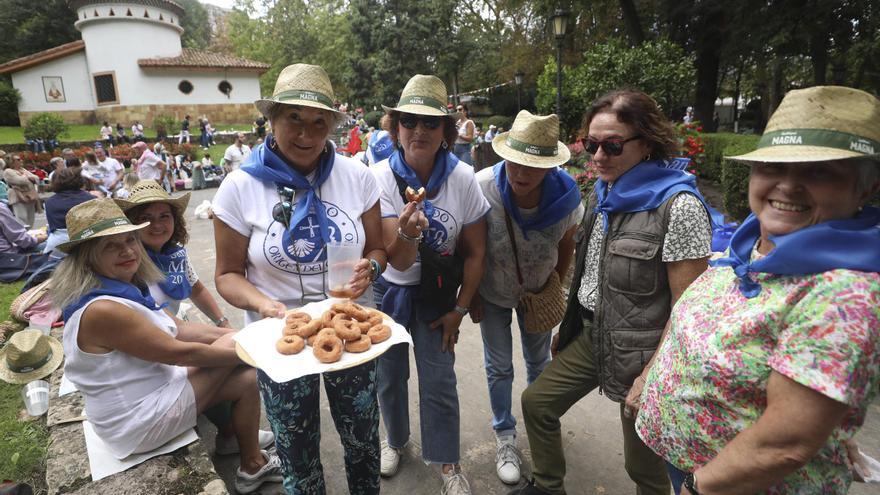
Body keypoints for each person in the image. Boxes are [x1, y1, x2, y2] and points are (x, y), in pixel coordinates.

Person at [634, 85, 880, 495]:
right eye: (772, 165)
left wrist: (699, 486)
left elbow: (785, 444)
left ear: (866, 188)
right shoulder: (752, 244)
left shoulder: (845, 295)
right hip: (686, 459)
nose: (787, 185)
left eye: (819, 171)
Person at [511, 89, 715, 495]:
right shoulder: (606, 192)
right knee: (538, 403)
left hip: (645, 351)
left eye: (613, 145)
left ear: (648, 143)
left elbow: (689, 311)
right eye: (591, 144)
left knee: (642, 465)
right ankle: (549, 486)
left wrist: (652, 375)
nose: (599, 156)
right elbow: (591, 274)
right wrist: (569, 328)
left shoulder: (679, 206)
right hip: (592, 335)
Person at [212, 63, 387, 494]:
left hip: (348, 330)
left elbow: (378, 248)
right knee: (296, 449)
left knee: (363, 442)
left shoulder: (357, 177)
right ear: (271, 119)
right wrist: (263, 305)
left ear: (330, 126)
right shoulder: (239, 187)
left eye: (318, 122)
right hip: (279, 338)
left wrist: (373, 268)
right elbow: (227, 274)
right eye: (293, 118)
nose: (307, 134)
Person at [50, 199, 282, 493]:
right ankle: (249, 460)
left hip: (147, 398)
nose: (128, 250)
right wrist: (253, 351)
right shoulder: (103, 309)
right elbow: (177, 352)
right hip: (136, 421)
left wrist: (242, 335)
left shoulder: (121, 287)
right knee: (239, 360)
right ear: (86, 256)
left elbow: (182, 329)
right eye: (110, 245)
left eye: (130, 240)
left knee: (244, 376)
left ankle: (244, 455)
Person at [371, 74, 489, 495]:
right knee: (388, 375)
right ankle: (396, 439)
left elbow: (476, 252)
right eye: (408, 121)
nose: (418, 130)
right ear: (395, 128)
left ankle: (447, 460)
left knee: (439, 378)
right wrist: (408, 232)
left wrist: (460, 308)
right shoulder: (381, 177)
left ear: (445, 132)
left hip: (439, 294)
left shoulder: (463, 180)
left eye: (430, 123)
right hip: (391, 291)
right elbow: (395, 258)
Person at [471, 110, 583, 485]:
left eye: (531, 167)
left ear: (550, 167)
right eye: (514, 163)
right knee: (499, 366)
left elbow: (567, 247)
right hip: (492, 292)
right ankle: (505, 435)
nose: (520, 174)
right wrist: (468, 295)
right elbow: (469, 247)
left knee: (539, 364)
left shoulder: (567, 199)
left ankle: (541, 430)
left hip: (537, 293)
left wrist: (554, 285)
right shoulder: (483, 187)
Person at [43, 167, 94, 254]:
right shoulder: (91, 199)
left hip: (57, 244)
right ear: (79, 180)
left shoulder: (49, 202)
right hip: (86, 243)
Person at [3, 155, 41, 227]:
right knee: (21, 219)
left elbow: (37, 178)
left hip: (30, 197)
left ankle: (30, 235)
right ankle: (23, 236)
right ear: (12, 162)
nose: (21, 160)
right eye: (18, 159)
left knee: (31, 219)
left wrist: (30, 177)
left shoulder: (23, 170)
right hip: (18, 197)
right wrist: (28, 177)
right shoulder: (8, 171)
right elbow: (20, 181)